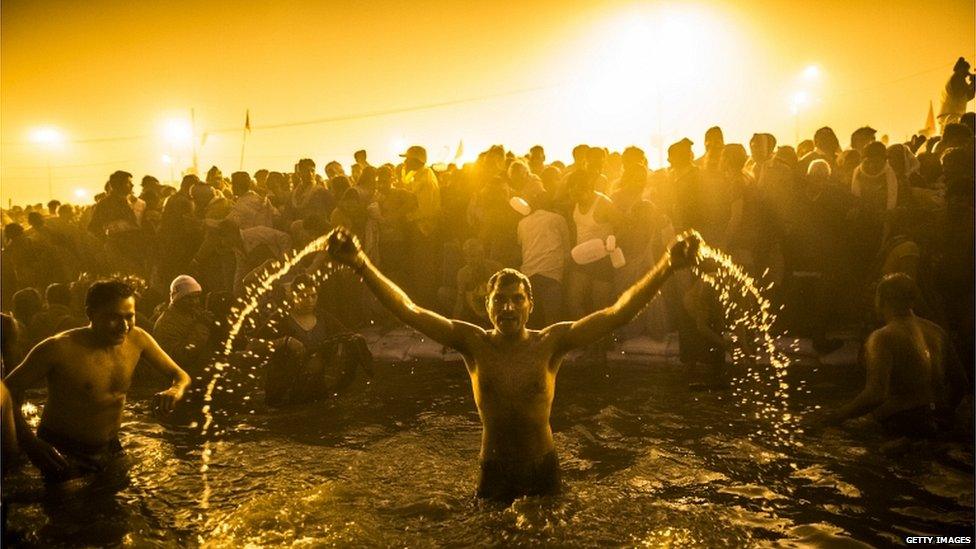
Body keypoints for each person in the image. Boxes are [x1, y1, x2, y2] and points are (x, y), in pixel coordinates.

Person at [324, 225, 701, 502]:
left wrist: (667, 266)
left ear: (529, 305)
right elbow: (409, 309)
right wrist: (360, 263)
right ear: (485, 305)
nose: (507, 307)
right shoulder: (472, 343)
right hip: (494, 473)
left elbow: (617, 313)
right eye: (500, 300)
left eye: (516, 299)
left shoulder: (551, 343)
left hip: (543, 470)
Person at [3, 279, 191, 482]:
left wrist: (174, 391)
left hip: (111, 448)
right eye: (114, 318)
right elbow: (6, 391)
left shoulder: (138, 339)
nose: (124, 326)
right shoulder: (58, 348)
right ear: (90, 314)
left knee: (119, 507)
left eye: (130, 317)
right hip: (61, 450)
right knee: (66, 509)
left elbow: (180, 375)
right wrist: (31, 444)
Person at [811, 274, 967, 438]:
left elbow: (876, 394)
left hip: (902, 424)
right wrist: (946, 413)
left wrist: (836, 416)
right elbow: (961, 382)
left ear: (880, 301)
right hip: (939, 421)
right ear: (912, 300)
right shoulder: (937, 331)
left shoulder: (882, 337)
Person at [937, 57, 975, 132]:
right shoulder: (956, 78)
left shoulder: (960, 80)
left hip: (953, 115)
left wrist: (974, 84)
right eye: (965, 70)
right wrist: (973, 83)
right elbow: (961, 92)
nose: (967, 73)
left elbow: (968, 96)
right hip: (951, 115)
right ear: (960, 69)